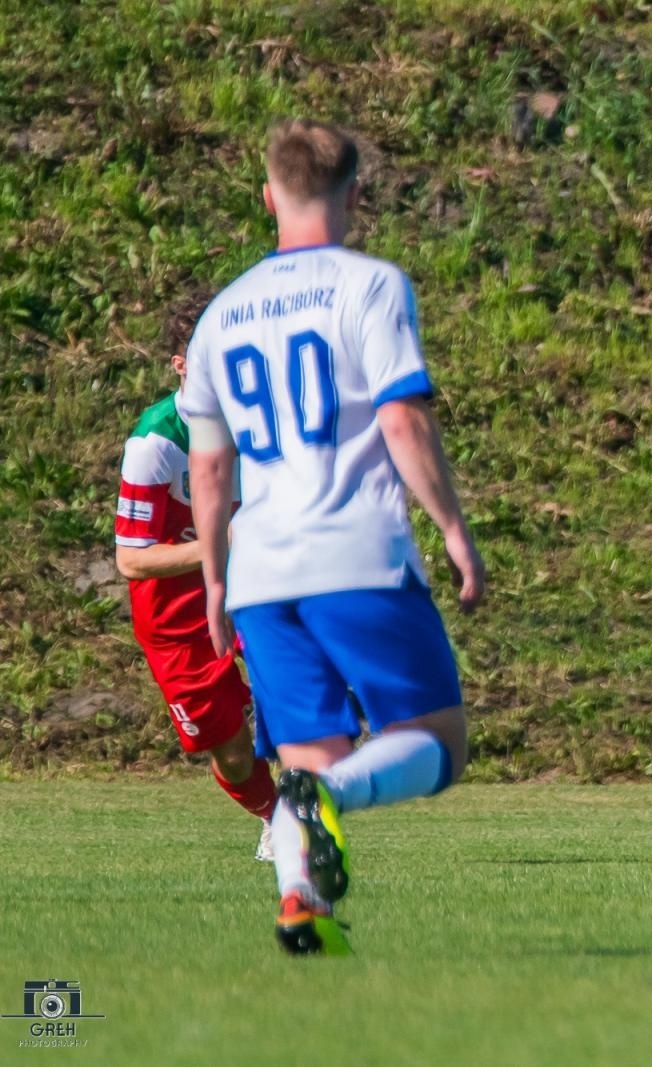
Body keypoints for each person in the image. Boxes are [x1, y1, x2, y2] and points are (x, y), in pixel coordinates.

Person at [180, 118, 485, 954]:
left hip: (262, 572)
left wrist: (213, 582)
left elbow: (209, 475)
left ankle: (300, 904)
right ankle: (328, 806)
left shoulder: (221, 315)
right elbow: (400, 417)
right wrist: (454, 530)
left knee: (310, 757)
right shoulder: (371, 285)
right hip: (353, 550)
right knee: (440, 742)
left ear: (269, 195)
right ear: (355, 193)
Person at [115, 294, 277, 860]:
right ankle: (276, 817)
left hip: (253, 595)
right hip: (176, 619)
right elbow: (131, 561)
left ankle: (310, 809)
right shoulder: (155, 443)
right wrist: (220, 546)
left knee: (300, 694)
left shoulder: (261, 425)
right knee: (231, 751)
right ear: (181, 364)